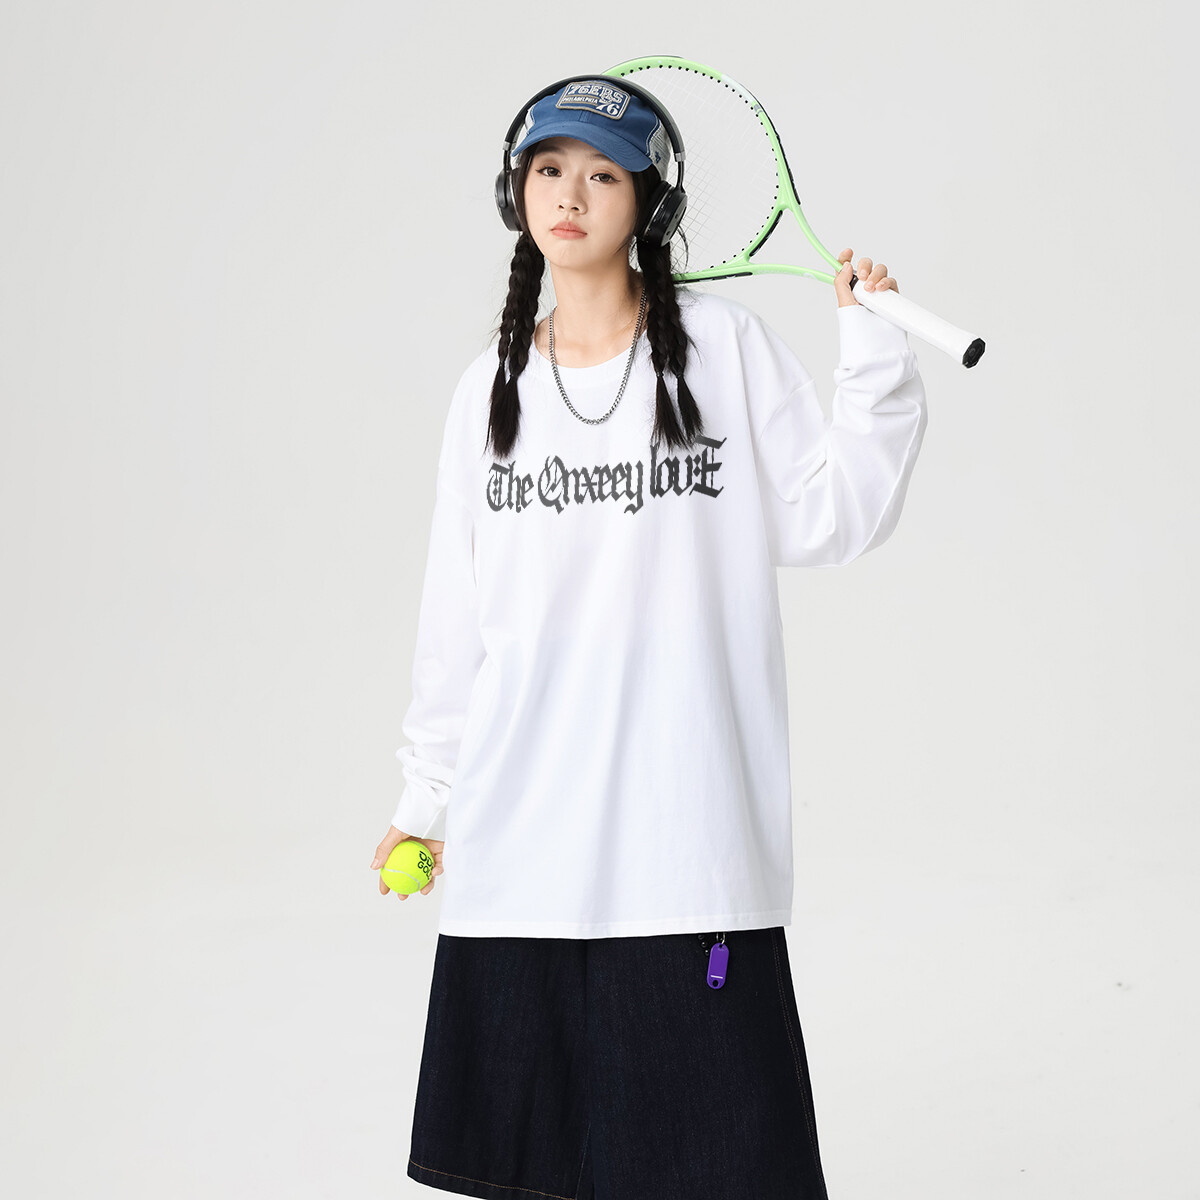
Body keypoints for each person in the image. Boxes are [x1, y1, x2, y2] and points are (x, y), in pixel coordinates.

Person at [369, 75, 928, 1200]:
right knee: (533, 1178)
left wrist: (870, 356)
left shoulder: (723, 350)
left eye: (603, 174)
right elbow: (455, 617)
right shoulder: (488, 390)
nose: (570, 195)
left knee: (718, 1172)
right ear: (516, 192)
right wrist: (424, 801)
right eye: (548, 169)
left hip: (689, 856)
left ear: (651, 204)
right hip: (523, 856)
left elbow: (831, 516)